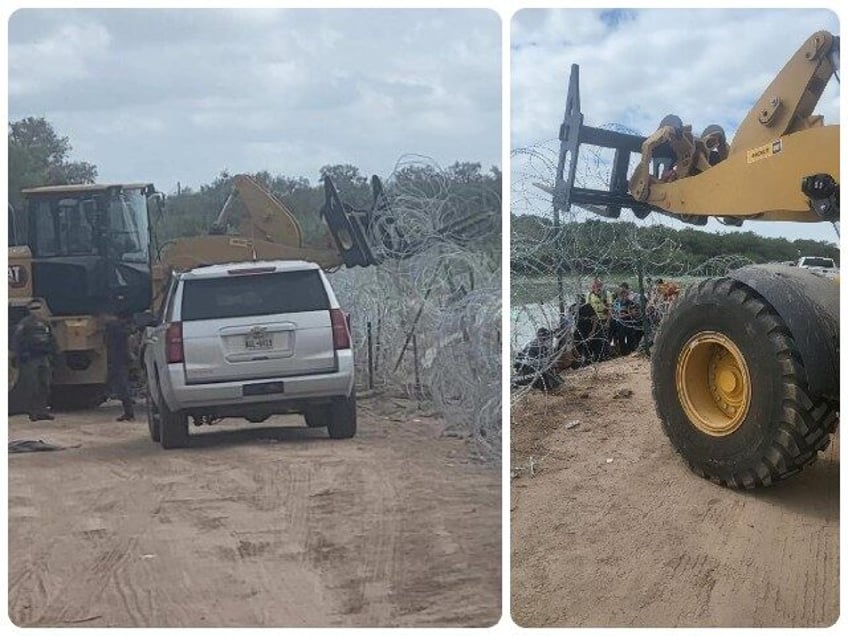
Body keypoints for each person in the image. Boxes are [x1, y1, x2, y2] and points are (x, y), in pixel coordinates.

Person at [11, 300, 57, 421]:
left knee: (45, 385)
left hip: (44, 357)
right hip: (31, 358)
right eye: (33, 308)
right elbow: (17, 340)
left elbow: (52, 339)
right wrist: (19, 355)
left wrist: (55, 353)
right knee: (33, 385)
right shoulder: (24, 324)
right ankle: (33, 412)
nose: (36, 311)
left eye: (38, 308)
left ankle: (43, 411)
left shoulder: (46, 324)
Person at [106, 312, 135, 421]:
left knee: (122, 386)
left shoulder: (115, 328)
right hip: (121, 359)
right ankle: (128, 412)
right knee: (122, 386)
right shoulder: (121, 328)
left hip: (118, 360)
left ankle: (129, 413)